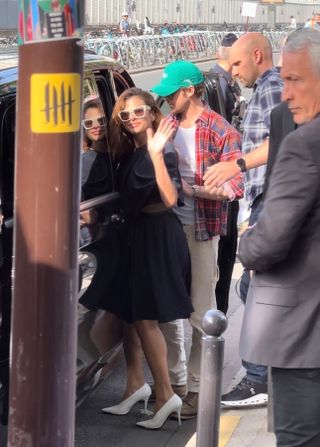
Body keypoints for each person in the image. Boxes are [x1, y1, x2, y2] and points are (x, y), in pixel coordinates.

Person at [238, 28, 320, 446]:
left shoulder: (305, 145)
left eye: (295, 80)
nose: (285, 94)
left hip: (303, 338)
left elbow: (268, 242)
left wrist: (246, 242)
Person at [150, 60, 244, 419]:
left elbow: (236, 186)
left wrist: (196, 190)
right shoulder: (168, 125)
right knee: (166, 310)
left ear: (189, 90)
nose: (166, 100)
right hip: (168, 228)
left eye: (171, 93)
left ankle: (197, 389)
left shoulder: (220, 130)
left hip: (202, 231)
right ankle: (176, 385)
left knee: (200, 313)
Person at [102, 87, 193, 430]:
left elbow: (170, 198)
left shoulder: (159, 150)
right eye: (125, 115)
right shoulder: (130, 151)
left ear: (154, 113)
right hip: (140, 236)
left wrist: (156, 153)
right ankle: (141, 388)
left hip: (159, 235)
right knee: (136, 315)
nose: (132, 119)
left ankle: (166, 393)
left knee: (147, 318)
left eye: (139, 112)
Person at [205, 32, 283, 408]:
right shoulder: (268, 87)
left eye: (237, 63)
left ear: (257, 55)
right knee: (252, 290)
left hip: (270, 202)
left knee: (254, 290)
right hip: (264, 202)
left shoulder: (271, 87)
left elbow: (280, 141)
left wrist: (235, 164)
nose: (232, 72)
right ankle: (267, 374)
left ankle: (257, 379)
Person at [210, 32, 241, 314]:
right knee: (223, 254)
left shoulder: (221, 82)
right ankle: (218, 312)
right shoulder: (218, 84)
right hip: (222, 180)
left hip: (225, 177)